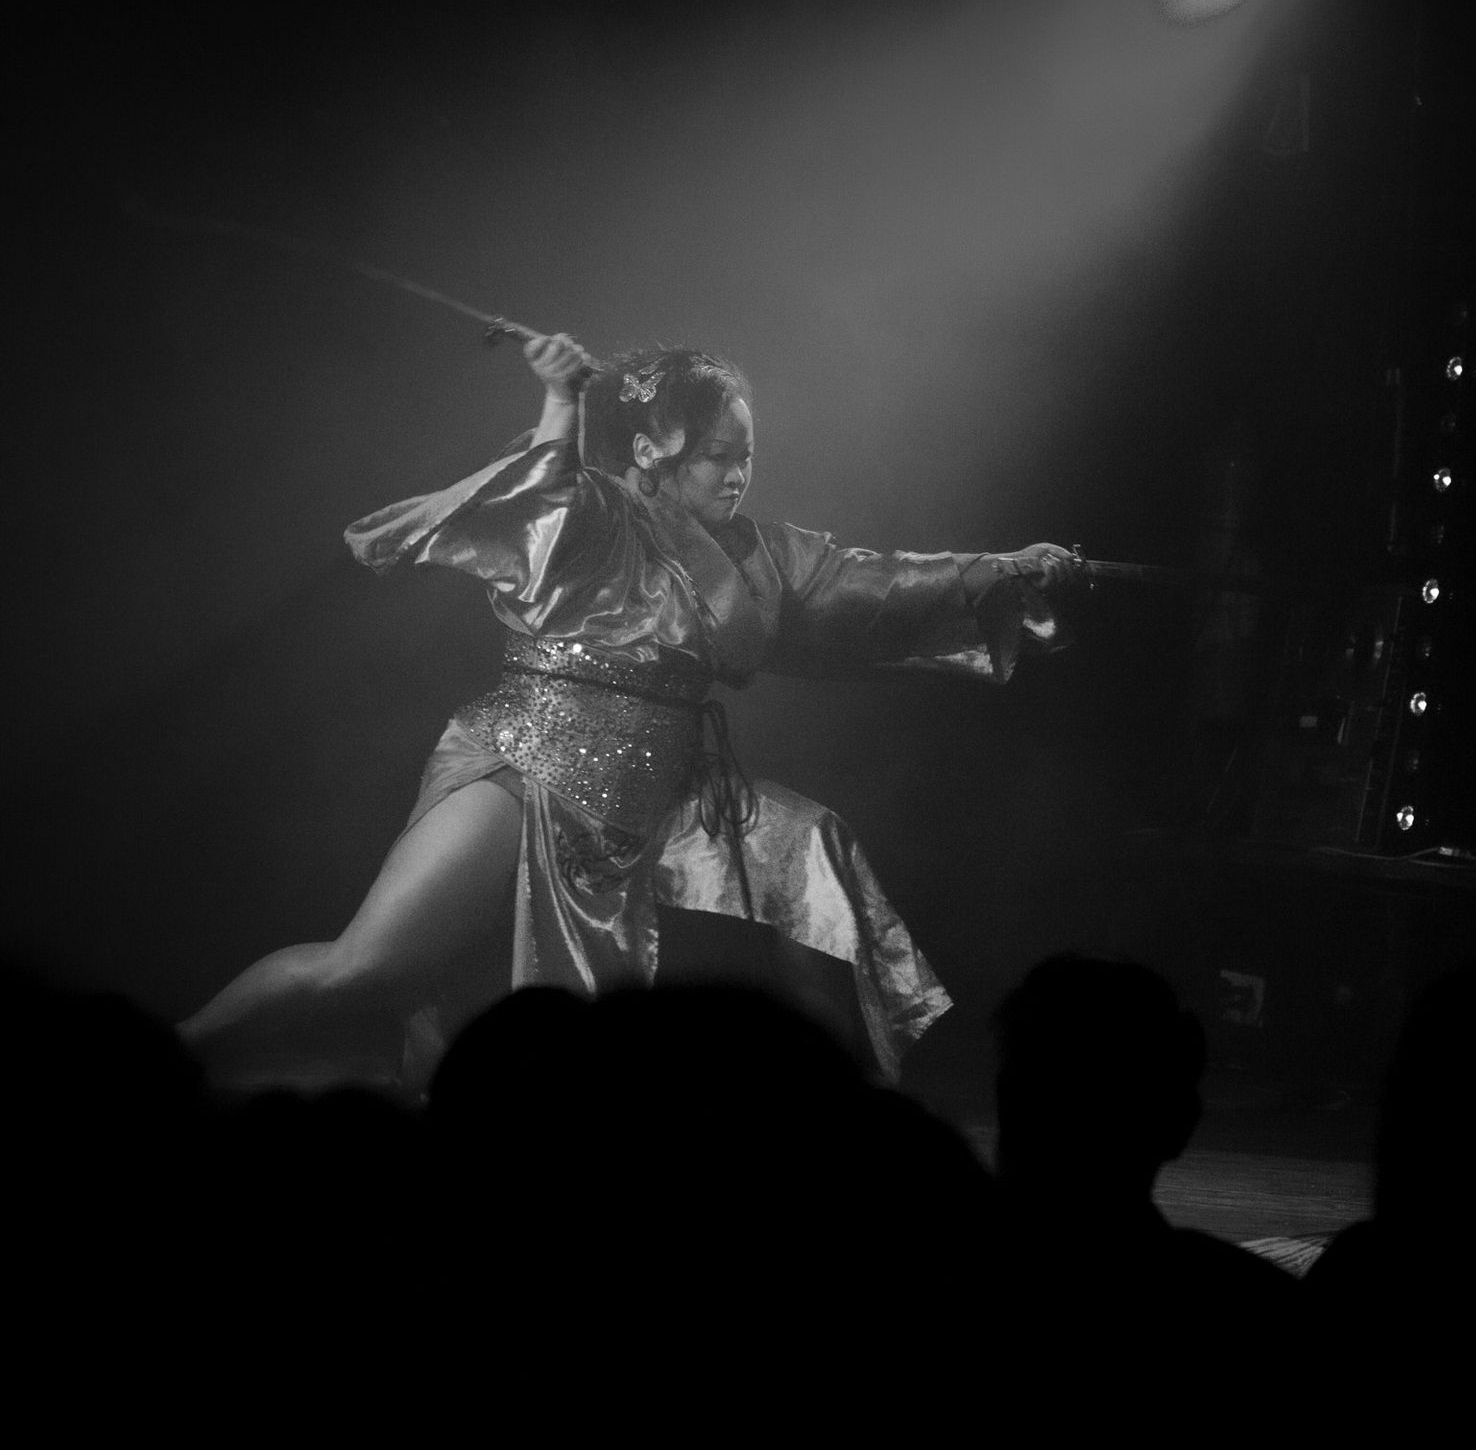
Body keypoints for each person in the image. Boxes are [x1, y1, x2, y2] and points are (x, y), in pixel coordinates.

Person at [180, 331, 1077, 1082]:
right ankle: (162, 1058)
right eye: (718, 457)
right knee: (367, 969)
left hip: (667, 792)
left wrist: (1000, 570)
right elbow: (541, 499)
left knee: (813, 853)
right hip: (530, 766)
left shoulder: (760, 554)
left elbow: (871, 583)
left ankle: (834, 1107)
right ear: (651, 450)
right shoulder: (600, 511)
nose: (737, 476)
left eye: (747, 457)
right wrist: (561, 403)